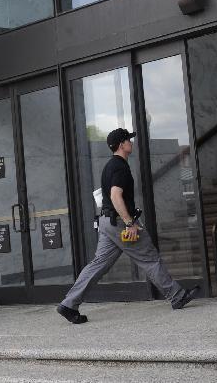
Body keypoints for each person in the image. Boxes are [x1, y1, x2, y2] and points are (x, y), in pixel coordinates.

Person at [57, 128, 200, 324]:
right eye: (128, 140)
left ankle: (68, 304)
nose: (131, 143)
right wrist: (130, 223)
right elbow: (116, 196)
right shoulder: (120, 167)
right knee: (149, 259)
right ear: (121, 144)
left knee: (98, 265)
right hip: (120, 223)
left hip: (107, 223)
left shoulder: (109, 166)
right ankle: (177, 296)